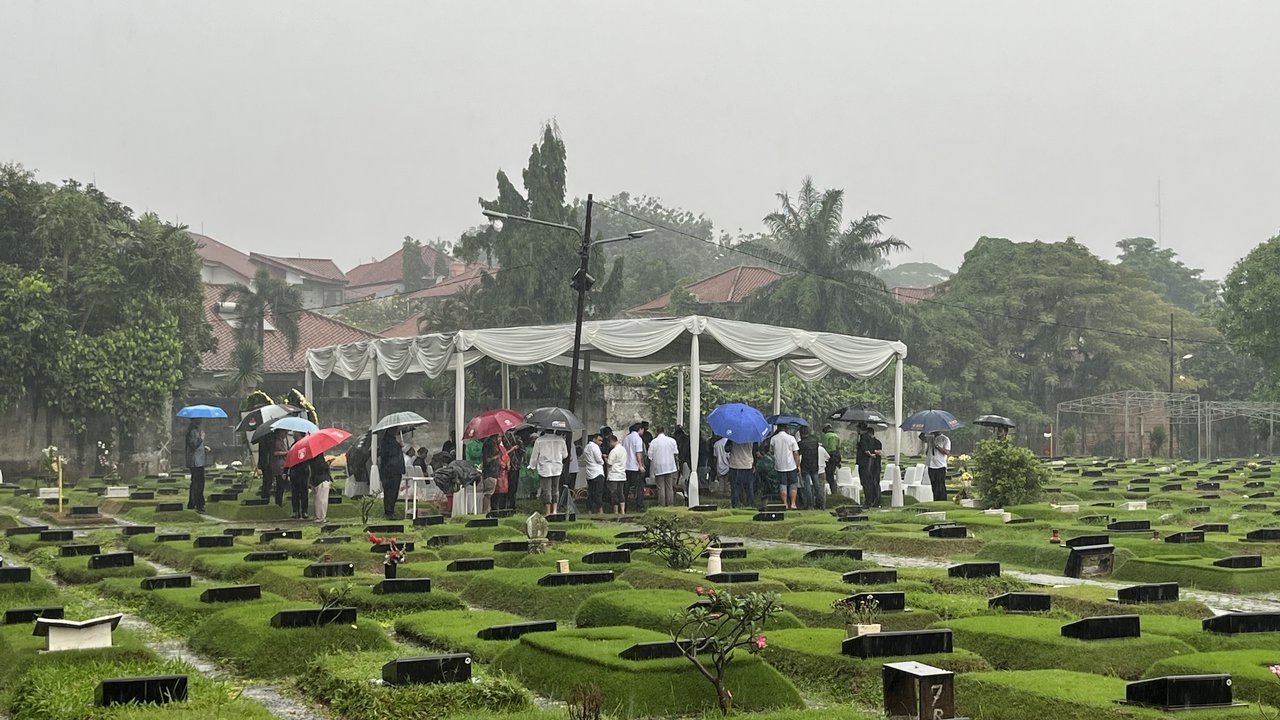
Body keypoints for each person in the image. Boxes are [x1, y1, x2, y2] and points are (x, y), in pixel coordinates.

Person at [529, 429, 569, 515]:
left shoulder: (539, 440)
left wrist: (532, 466)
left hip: (545, 467)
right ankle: (554, 510)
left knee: (546, 489)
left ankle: (547, 512)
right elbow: (565, 455)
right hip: (557, 467)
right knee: (555, 489)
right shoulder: (561, 440)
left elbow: (534, 455)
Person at [647, 426, 680, 507]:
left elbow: (649, 456)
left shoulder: (654, 442)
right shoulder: (672, 440)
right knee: (669, 487)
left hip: (659, 467)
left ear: (656, 432)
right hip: (670, 466)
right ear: (664, 431)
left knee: (660, 487)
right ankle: (670, 504)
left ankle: (661, 504)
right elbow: (676, 454)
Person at [770, 425, 801, 509]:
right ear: (786, 429)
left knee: (782, 484)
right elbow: (796, 453)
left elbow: (771, 451)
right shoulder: (791, 438)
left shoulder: (773, 439)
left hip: (779, 466)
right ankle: (793, 503)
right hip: (791, 465)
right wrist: (798, 465)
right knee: (793, 484)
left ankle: (785, 503)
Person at [378, 429, 405, 519]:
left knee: (393, 492)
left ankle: (390, 510)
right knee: (390, 492)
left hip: (393, 470)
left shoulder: (391, 440)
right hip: (391, 471)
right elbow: (389, 454)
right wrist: (399, 446)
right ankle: (389, 512)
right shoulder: (387, 441)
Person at [855, 423, 882, 508]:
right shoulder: (870, 439)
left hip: (864, 463)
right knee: (871, 482)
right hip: (870, 463)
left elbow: (866, 450)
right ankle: (872, 500)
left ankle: (868, 501)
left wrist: (870, 454)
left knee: (866, 482)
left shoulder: (863, 438)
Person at [622, 423, 647, 511]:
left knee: (626, 488)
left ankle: (624, 506)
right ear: (640, 429)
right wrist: (641, 465)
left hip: (626, 466)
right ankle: (639, 506)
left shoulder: (626, 438)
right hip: (635, 466)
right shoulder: (638, 439)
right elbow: (638, 453)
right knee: (639, 487)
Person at [184, 419, 206, 513]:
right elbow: (193, 445)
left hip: (198, 461)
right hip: (196, 462)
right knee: (198, 483)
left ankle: (192, 503)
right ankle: (198, 503)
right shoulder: (192, 431)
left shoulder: (195, 430)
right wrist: (201, 438)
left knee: (196, 482)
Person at [797, 426, 821, 510]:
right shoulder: (815, 441)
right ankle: (820, 502)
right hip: (815, 465)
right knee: (817, 485)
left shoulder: (801, 443)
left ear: (801, 433)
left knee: (807, 485)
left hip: (805, 466)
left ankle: (809, 504)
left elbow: (798, 453)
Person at [287, 434, 310, 519]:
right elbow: (289, 458)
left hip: (304, 471)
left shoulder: (306, 445)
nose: (294, 435)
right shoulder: (293, 446)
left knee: (304, 492)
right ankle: (295, 511)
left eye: (296, 434)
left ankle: (304, 511)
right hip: (295, 471)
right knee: (295, 493)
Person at [727, 439, 755, 509]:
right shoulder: (752, 437)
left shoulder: (733, 436)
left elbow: (726, 449)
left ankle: (735, 504)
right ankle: (750, 504)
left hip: (735, 465)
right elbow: (754, 451)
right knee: (749, 487)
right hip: (747, 464)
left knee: (735, 487)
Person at [582, 432, 606, 513]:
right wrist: (603, 460)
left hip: (589, 472)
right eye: (599, 440)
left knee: (591, 493)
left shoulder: (586, 447)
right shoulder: (595, 447)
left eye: (601, 441)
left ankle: (589, 509)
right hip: (597, 472)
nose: (600, 442)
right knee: (598, 492)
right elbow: (599, 460)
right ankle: (600, 509)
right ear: (594, 439)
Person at [925, 430, 951, 501]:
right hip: (931, 465)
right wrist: (925, 429)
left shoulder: (945, 439)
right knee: (934, 484)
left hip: (940, 465)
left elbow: (947, 452)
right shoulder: (930, 438)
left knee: (940, 484)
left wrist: (937, 446)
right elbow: (921, 437)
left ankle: (942, 500)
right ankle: (935, 499)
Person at [605, 434, 628, 514]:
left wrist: (605, 458)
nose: (609, 445)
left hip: (614, 475)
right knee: (621, 493)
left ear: (611, 442)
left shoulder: (614, 451)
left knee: (614, 493)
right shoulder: (623, 449)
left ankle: (615, 511)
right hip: (622, 474)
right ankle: (622, 510)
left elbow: (609, 463)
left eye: (609, 443)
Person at [309, 451, 333, 523]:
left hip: (315, 479)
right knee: (322, 500)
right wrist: (328, 463)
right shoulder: (318, 455)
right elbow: (321, 467)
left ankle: (318, 516)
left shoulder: (311, 455)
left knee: (318, 499)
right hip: (322, 479)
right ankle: (321, 517)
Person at [480, 435, 501, 513]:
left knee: (490, 493)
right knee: (488, 493)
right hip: (490, 472)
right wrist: (496, 456)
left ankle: (487, 510)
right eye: (498, 437)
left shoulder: (493, 444)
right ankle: (485, 511)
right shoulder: (489, 444)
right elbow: (487, 460)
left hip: (493, 472)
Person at [268, 429, 289, 507]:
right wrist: (286, 453)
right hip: (278, 466)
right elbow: (275, 453)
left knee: (282, 486)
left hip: (282, 465)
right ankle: (278, 503)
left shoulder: (282, 441)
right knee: (280, 485)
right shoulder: (276, 442)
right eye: (285, 432)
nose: (286, 434)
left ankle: (279, 502)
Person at [504, 432, 524, 510]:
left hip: (514, 466)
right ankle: (508, 505)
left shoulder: (517, 438)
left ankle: (510, 505)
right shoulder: (503, 439)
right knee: (508, 487)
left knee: (512, 487)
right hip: (508, 466)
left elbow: (522, 450)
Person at [821, 424, 842, 493]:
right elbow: (838, 447)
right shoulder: (836, 436)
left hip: (829, 456)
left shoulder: (826, 436)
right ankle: (834, 490)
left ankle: (833, 491)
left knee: (828, 475)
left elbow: (824, 446)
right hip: (836, 456)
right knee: (831, 474)